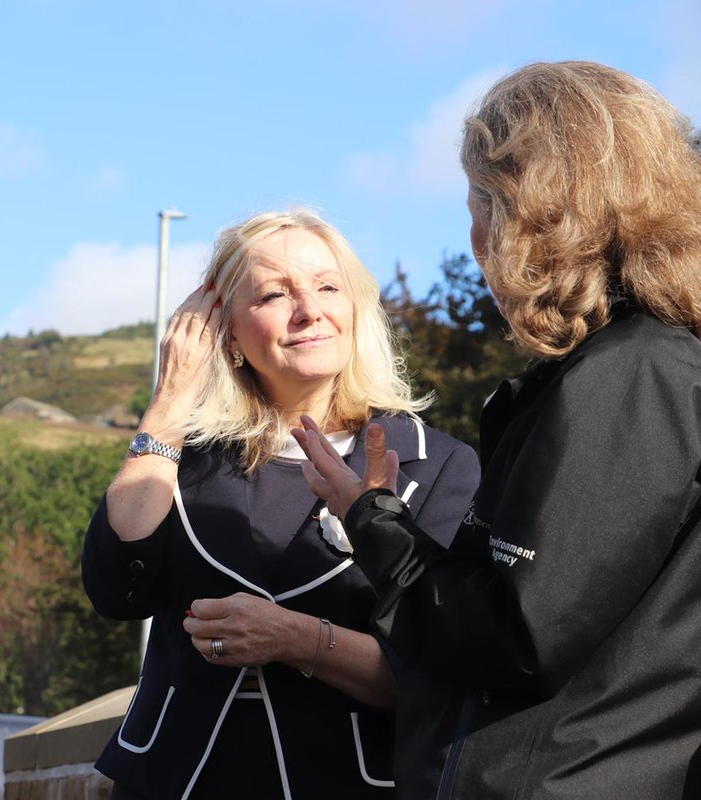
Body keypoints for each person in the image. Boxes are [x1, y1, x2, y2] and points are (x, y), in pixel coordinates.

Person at [297, 61, 701, 800]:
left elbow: (515, 637)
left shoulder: (634, 376)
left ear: (539, 210)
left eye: (481, 200)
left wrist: (373, 521)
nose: (476, 233)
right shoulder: (633, 370)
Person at [81, 208, 480, 800]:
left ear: (355, 308)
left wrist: (297, 639)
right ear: (227, 331)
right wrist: (168, 402)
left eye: (327, 286)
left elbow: (442, 670)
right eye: (274, 294)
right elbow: (117, 590)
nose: (309, 310)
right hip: (173, 783)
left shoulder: (439, 464)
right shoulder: (179, 456)